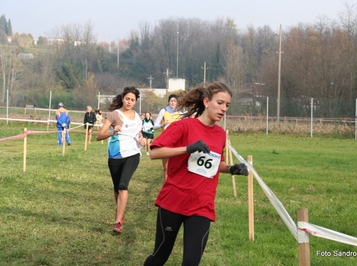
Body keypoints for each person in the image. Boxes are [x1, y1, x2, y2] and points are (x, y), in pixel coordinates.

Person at [144, 82, 249, 266]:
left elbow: (216, 163)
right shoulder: (184, 126)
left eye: (227, 105)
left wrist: (231, 168)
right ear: (207, 102)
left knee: (191, 263)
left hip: (202, 205)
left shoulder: (220, 134)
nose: (224, 109)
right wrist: (187, 148)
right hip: (173, 201)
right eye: (220, 103)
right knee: (160, 257)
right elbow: (155, 153)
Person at [96, 86, 146, 234]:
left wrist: (141, 140)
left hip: (133, 154)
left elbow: (138, 134)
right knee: (117, 188)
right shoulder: (113, 115)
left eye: (132, 100)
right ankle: (120, 213)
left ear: (136, 101)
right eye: (127, 99)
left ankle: (117, 222)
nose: (129, 102)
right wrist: (113, 131)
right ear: (123, 99)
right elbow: (99, 136)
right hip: (115, 156)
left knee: (123, 185)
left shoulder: (137, 117)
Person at [153, 94, 182, 181]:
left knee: (176, 166)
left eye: (174, 101)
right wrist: (163, 124)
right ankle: (165, 187)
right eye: (171, 101)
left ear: (177, 103)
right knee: (165, 167)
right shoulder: (163, 111)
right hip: (165, 141)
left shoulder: (180, 113)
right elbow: (155, 126)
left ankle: (174, 185)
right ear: (168, 102)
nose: (173, 103)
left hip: (177, 141)